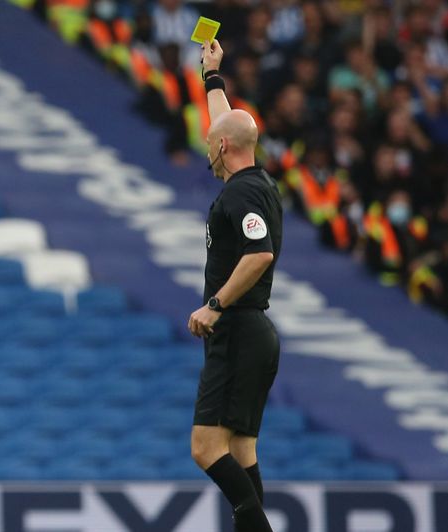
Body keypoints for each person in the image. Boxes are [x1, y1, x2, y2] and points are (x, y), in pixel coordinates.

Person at [187, 39, 282, 532]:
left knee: (206, 447)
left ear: (222, 147)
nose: (207, 143)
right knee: (241, 451)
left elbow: (259, 253)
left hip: (238, 330)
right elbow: (226, 126)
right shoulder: (257, 182)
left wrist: (215, 304)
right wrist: (212, 76)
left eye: (211, 140)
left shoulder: (240, 194)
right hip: (256, 333)